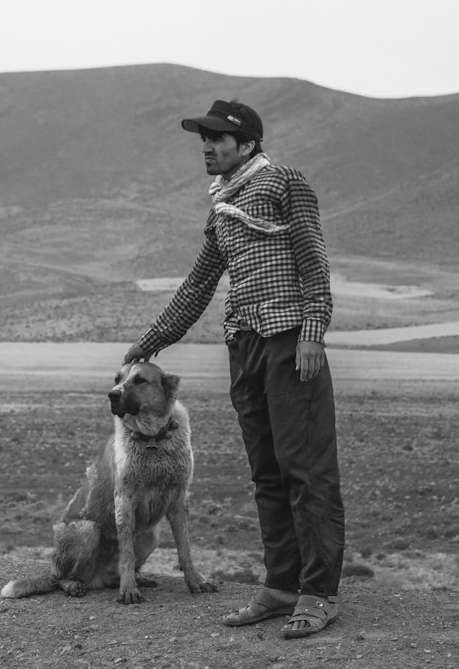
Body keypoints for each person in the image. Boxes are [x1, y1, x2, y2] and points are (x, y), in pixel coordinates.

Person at [123, 98, 344, 639]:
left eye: (219, 138)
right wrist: (148, 343)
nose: (207, 145)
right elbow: (199, 286)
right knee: (267, 473)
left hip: (290, 341)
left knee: (305, 470)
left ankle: (319, 593)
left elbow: (313, 260)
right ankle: (280, 585)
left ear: (247, 144)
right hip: (243, 345)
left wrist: (313, 332)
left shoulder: (285, 183)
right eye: (204, 137)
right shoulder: (222, 208)